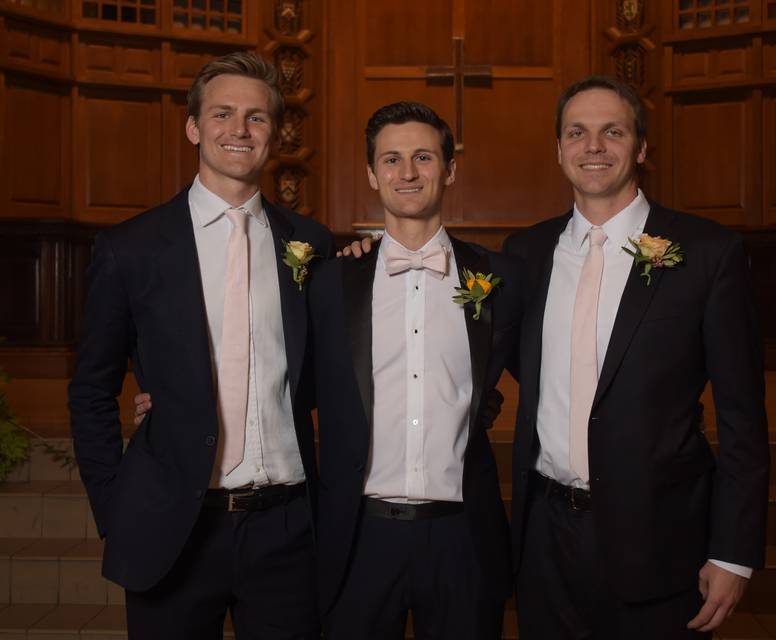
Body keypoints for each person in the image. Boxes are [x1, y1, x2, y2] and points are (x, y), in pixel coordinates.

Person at [68, 52, 331, 639]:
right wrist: (117, 507)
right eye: (222, 114)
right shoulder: (132, 247)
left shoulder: (311, 245)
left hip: (287, 528)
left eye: (256, 118)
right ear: (193, 126)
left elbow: (325, 374)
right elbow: (91, 390)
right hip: (175, 527)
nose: (239, 130)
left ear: (275, 133)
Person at [502, 75, 769, 638]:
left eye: (612, 132)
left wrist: (734, 552)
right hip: (545, 539)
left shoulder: (706, 253)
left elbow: (744, 418)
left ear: (641, 147)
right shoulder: (525, 255)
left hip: (661, 540)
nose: (593, 146)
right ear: (559, 149)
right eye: (577, 132)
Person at [309, 101, 521, 639]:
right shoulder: (330, 284)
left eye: (423, 157)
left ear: (450, 170)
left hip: (463, 537)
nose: (406, 173)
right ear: (372, 174)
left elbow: (542, 373)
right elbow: (287, 378)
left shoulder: (500, 278)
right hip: (359, 535)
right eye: (391, 160)